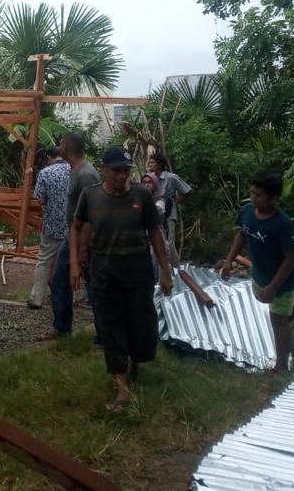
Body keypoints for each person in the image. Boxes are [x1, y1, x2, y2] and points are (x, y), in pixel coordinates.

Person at [71, 146, 174, 411]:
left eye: (126, 171)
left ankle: (134, 362)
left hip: (138, 272)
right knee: (111, 327)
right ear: (104, 169)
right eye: (117, 170)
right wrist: (75, 262)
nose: (122, 176)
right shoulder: (91, 195)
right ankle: (122, 386)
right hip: (105, 273)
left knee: (142, 325)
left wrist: (165, 270)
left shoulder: (141, 194)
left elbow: (155, 232)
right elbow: (78, 227)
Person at [219, 171, 294, 374]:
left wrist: (273, 286)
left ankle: (281, 366)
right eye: (252, 193)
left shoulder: (282, 224)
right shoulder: (247, 211)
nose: (253, 198)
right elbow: (242, 234)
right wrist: (229, 260)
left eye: (259, 195)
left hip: (282, 280)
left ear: (274, 198)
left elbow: (291, 258)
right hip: (260, 273)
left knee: (278, 319)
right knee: (262, 300)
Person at [46, 132, 100, 337]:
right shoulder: (74, 170)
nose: (59, 147)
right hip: (72, 237)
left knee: (94, 285)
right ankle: (62, 328)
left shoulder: (86, 174)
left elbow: (92, 214)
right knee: (58, 280)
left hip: (86, 240)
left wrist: (83, 249)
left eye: (61, 144)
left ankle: (105, 333)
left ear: (68, 147)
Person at [28, 147, 70, 309]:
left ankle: (36, 298)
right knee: (68, 263)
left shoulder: (45, 173)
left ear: (49, 158)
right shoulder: (75, 170)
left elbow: (40, 200)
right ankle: (66, 298)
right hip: (72, 227)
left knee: (44, 261)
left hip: (52, 226)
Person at [148, 153, 190, 267]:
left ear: (160, 165)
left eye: (152, 162)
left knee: (169, 244)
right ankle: (159, 269)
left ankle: (177, 270)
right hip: (154, 213)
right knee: (154, 241)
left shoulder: (171, 177)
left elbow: (187, 191)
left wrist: (175, 202)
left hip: (169, 213)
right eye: (149, 162)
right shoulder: (149, 178)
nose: (149, 164)